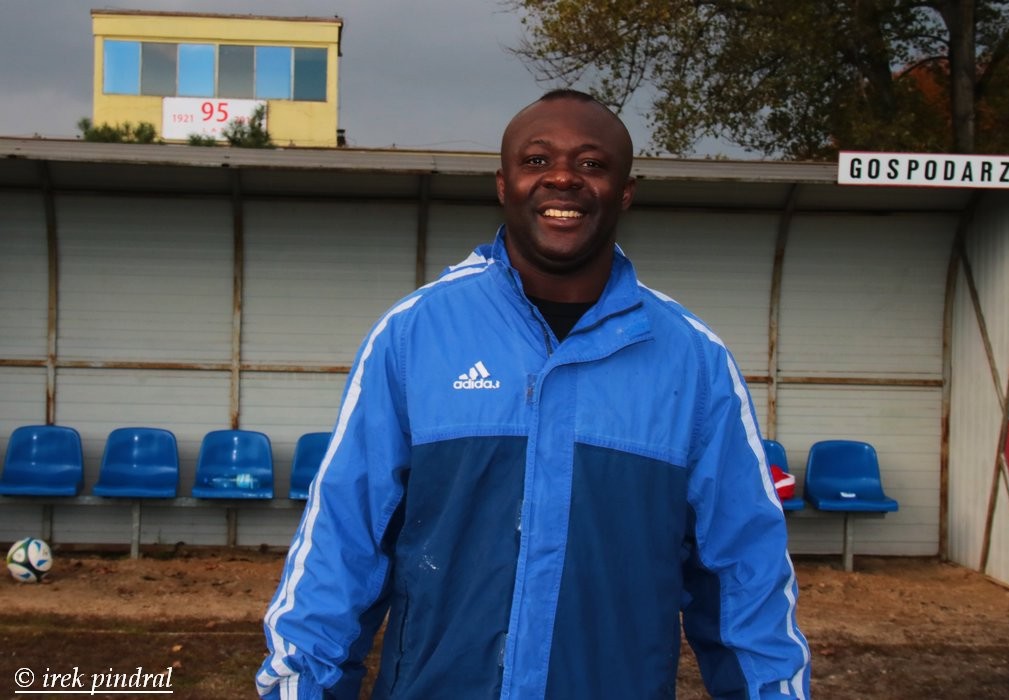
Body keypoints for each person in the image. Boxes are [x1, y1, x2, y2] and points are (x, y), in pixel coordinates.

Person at [257, 89, 811, 699]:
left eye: (592, 163)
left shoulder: (694, 360)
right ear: (504, 185)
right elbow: (342, 545)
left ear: (625, 191)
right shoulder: (414, 335)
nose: (563, 178)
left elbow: (745, 576)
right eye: (537, 160)